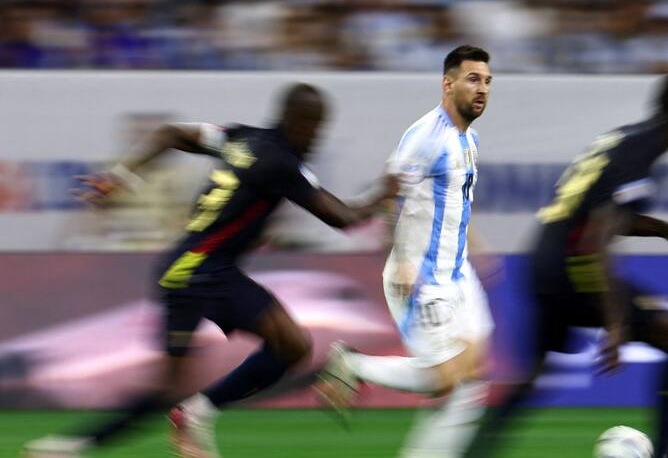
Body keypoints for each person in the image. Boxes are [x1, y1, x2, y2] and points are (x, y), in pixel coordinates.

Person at [23, 83, 397, 457]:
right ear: (295, 120)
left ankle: (70, 446)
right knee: (290, 345)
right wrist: (385, 192)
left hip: (181, 268)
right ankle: (194, 413)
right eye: (313, 125)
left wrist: (119, 175)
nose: (317, 136)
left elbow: (170, 134)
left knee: (169, 386)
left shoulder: (240, 139)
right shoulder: (282, 163)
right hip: (206, 271)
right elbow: (342, 217)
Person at [465, 72, 668, 458]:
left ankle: (472, 452)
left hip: (541, 259)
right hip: (573, 267)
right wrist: (616, 322)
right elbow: (598, 235)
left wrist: (663, 229)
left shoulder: (624, 139)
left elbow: (601, 213)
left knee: (533, 375)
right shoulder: (642, 154)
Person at [315, 45, 495, 458]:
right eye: (472, 79)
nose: (482, 88)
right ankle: (352, 364)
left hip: (456, 271)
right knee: (445, 380)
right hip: (421, 275)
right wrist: (403, 259)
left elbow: (452, 202)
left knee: (472, 378)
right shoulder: (424, 137)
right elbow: (391, 195)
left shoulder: (469, 139)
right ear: (447, 84)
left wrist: (476, 245)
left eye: (486, 81)